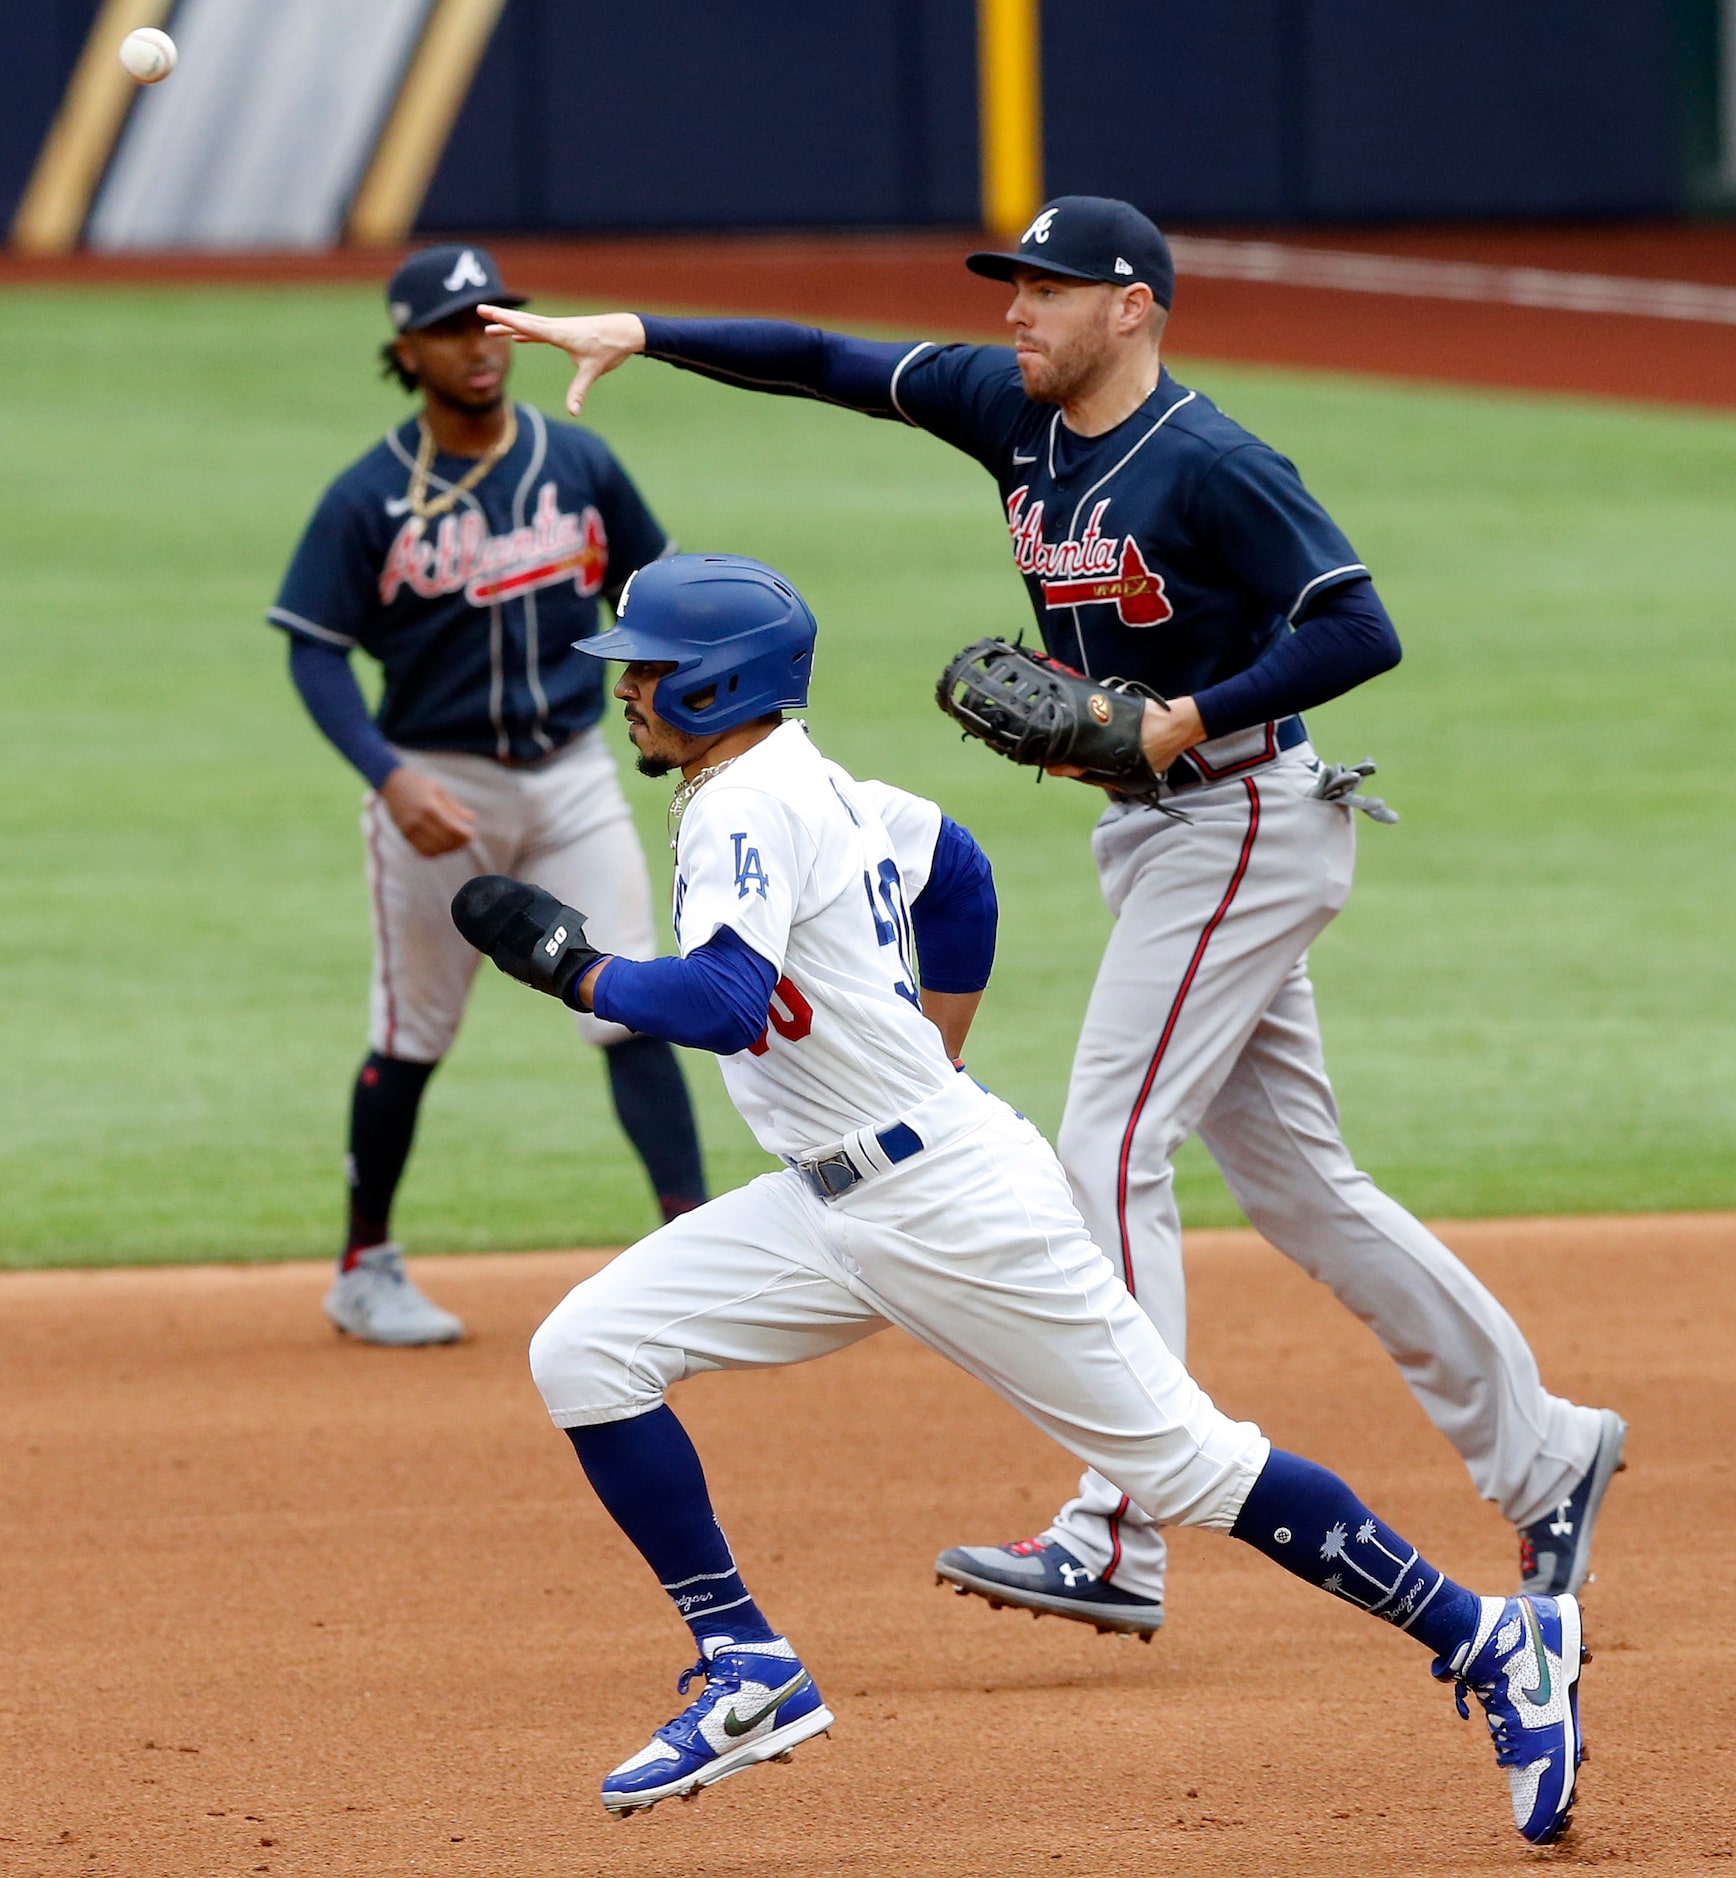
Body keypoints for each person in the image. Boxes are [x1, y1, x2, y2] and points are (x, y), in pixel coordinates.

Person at [474, 196, 1622, 1619]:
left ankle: (1119, 1523)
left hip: (1244, 814)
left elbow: (1357, 625)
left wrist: (1181, 717)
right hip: (1166, 834)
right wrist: (642, 333)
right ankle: (1547, 1453)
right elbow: (824, 360)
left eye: (1047, 289)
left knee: (1111, 1134)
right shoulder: (1011, 414)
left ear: (1131, 307)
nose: (1015, 310)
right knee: (1303, 1188)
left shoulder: (1210, 462)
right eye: (1013, 285)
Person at [450, 553, 1588, 1844]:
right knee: (588, 1351)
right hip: (831, 1205)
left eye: (648, 672)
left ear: (718, 685)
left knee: (1193, 1466)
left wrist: (572, 963)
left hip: (955, 1211)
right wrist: (937, 1051)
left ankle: (1497, 1641)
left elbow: (714, 1001)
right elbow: (962, 871)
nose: (629, 692)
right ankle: (747, 1662)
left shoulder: (744, 806)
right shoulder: (794, 777)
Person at [266, 243, 706, 1346]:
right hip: (436, 784)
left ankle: (698, 1253)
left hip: (569, 775)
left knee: (630, 1002)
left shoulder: (578, 463)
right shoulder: (368, 496)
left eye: (494, 317)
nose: (481, 340)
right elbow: (315, 652)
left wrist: (679, 715)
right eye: (455, 324)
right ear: (405, 349)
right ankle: (364, 1266)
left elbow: (658, 593)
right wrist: (389, 774)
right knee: (414, 1029)